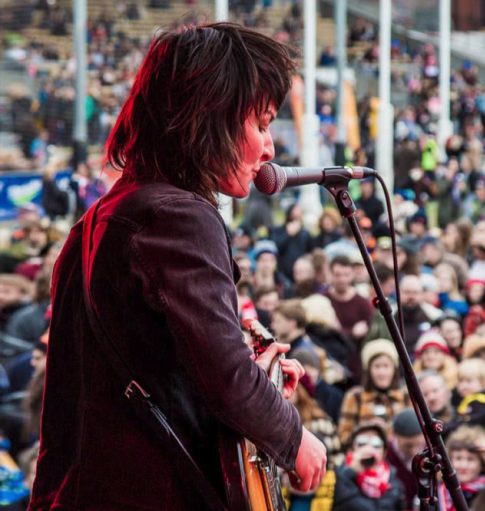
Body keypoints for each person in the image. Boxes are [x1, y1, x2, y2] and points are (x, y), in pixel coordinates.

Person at [29, 23, 326, 510]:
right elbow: (225, 378)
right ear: (211, 117)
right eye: (262, 123)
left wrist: (263, 375)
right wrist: (294, 438)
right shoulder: (180, 216)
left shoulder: (103, 217)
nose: (270, 149)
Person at [338, 339, 407, 444]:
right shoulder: (355, 396)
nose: (382, 372)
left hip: (397, 456)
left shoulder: (406, 396)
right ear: (369, 370)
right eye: (377, 366)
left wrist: (391, 431)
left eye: (386, 366)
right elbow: (343, 438)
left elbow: (414, 435)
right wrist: (366, 430)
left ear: (394, 369)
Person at [332, 421, 405, 511]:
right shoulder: (337, 478)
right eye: (362, 443)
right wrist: (351, 473)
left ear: (384, 452)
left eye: (376, 444)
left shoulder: (393, 482)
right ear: (351, 449)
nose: (369, 449)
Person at [386, 409, 426, 511]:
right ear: (394, 436)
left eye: (418, 445)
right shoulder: (386, 455)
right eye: (408, 446)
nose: (414, 452)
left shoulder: (431, 452)